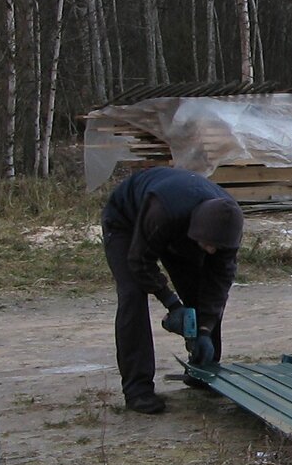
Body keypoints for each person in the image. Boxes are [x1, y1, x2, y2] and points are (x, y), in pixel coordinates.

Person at [101, 166, 244, 414]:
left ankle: (202, 369)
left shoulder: (227, 226)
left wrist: (204, 329)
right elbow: (139, 262)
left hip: (181, 229)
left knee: (201, 292)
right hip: (127, 221)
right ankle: (138, 389)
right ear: (197, 231)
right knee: (132, 294)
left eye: (216, 248)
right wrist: (172, 303)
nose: (211, 251)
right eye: (208, 245)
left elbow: (217, 286)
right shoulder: (164, 209)